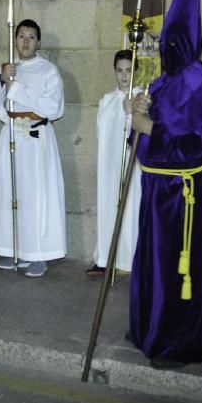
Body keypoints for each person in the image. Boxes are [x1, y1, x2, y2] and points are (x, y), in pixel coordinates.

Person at [127, 0, 202, 368]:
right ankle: (149, 327)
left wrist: (150, 127)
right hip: (158, 190)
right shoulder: (168, 78)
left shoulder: (199, 81)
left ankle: (179, 340)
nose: (162, 48)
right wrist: (139, 109)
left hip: (184, 195)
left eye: (169, 41)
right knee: (153, 262)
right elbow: (152, 122)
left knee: (179, 269)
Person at [0, 19, 67, 278]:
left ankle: (38, 253)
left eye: (31, 37)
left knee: (36, 196)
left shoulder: (48, 71)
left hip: (36, 139)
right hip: (11, 136)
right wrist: (1, 79)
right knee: (9, 192)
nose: (25, 41)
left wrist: (16, 88)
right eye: (21, 36)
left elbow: (54, 108)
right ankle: (10, 246)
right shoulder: (7, 69)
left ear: (38, 42)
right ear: (15, 40)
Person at [87, 49, 141, 276]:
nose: (124, 76)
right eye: (119, 70)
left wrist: (130, 113)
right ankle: (106, 257)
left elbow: (141, 131)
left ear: (136, 71)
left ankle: (132, 259)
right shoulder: (107, 101)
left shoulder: (143, 99)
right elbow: (102, 132)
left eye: (129, 70)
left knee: (131, 207)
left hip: (132, 163)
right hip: (109, 163)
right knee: (109, 206)